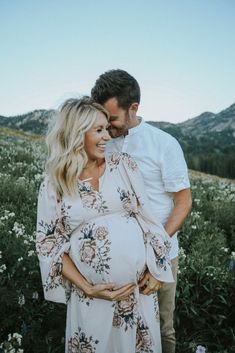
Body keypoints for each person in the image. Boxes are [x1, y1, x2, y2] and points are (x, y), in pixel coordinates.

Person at [36, 97, 174, 353]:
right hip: (92, 299)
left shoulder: (124, 165)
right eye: (98, 130)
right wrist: (87, 287)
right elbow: (49, 245)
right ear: (76, 134)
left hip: (137, 296)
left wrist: (156, 269)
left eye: (107, 129)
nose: (107, 137)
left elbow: (148, 220)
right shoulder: (54, 185)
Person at [91, 70, 192, 353]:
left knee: (161, 328)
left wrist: (157, 254)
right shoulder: (100, 142)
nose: (106, 126)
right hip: (114, 256)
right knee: (115, 327)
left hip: (161, 253)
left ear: (133, 107)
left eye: (112, 118)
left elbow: (183, 202)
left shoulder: (164, 144)